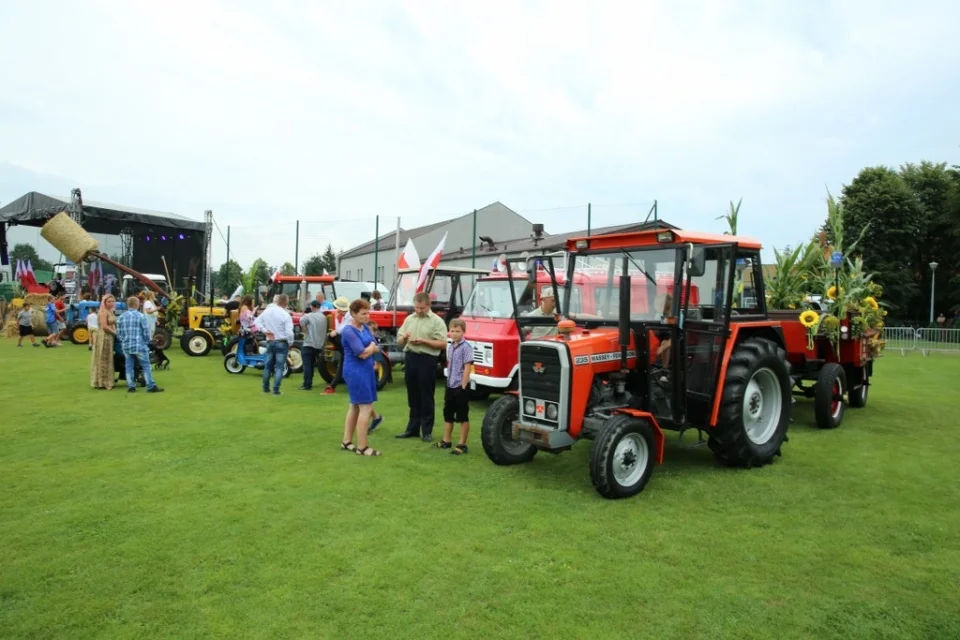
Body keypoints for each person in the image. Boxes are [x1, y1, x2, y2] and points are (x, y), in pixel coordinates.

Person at [395, 292, 448, 442]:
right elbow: (399, 341)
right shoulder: (409, 319)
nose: (418, 311)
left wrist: (424, 341)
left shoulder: (436, 321)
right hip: (411, 357)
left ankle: (426, 431)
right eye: (416, 308)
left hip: (427, 359)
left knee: (426, 395)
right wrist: (404, 338)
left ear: (428, 305)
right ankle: (412, 429)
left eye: (422, 308)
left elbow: (443, 343)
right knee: (413, 395)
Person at [339, 298, 382, 457]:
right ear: (353, 314)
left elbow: (375, 345)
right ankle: (362, 447)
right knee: (366, 407)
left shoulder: (364, 327)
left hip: (366, 371)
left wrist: (371, 348)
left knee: (355, 406)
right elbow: (361, 353)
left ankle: (346, 441)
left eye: (368, 312)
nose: (367, 316)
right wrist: (371, 348)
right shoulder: (348, 331)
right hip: (355, 372)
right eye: (363, 313)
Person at [436, 318, 473, 455]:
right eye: (452, 331)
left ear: (463, 332)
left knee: (462, 416)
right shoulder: (450, 347)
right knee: (448, 414)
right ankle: (446, 441)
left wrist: (463, 386)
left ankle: (462, 444)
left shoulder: (466, 348)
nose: (455, 334)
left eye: (458, 331)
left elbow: (467, 367)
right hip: (450, 385)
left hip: (460, 387)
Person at [116, 297, 164, 393]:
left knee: (129, 366)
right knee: (146, 365)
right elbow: (146, 332)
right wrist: (146, 342)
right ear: (137, 305)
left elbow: (119, 333)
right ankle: (150, 386)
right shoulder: (141, 316)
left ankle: (131, 386)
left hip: (126, 346)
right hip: (139, 345)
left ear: (128, 304)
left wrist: (124, 341)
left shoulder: (121, 317)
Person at [257, 293, 295, 395]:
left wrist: (265, 331)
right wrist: (291, 343)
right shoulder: (285, 315)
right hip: (282, 342)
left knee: (268, 366)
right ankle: (276, 390)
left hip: (270, 341)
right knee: (279, 367)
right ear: (286, 302)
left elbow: (257, 322)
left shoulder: (268, 311)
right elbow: (289, 333)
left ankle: (265, 388)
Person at [324, 297, 352, 394]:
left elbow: (343, 329)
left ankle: (333, 386)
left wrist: (335, 331)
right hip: (345, 343)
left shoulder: (350, 317)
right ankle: (333, 385)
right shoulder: (345, 317)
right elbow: (340, 328)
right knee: (342, 363)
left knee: (343, 363)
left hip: (348, 343)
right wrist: (336, 318)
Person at [298, 299, 328, 391]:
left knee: (307, 365)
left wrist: (305, 330)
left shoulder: (309, 316)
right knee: (312, 364)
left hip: (309, 343)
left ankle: (307, 384)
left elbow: (301, 321)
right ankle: (309, 382)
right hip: (319, 344)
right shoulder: (324, 317)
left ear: (313, 307)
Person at [91, 295, 118, 389]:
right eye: (109, 301)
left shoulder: (110, 311)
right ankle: (103, 382)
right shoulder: (103, 311)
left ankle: (107, 380)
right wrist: (115, 333)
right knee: (103, 357)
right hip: (104, 336)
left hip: (110, 336)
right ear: (104, 302)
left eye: (112, 301)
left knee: (108, 358)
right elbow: (104, 326)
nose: (111, 303)